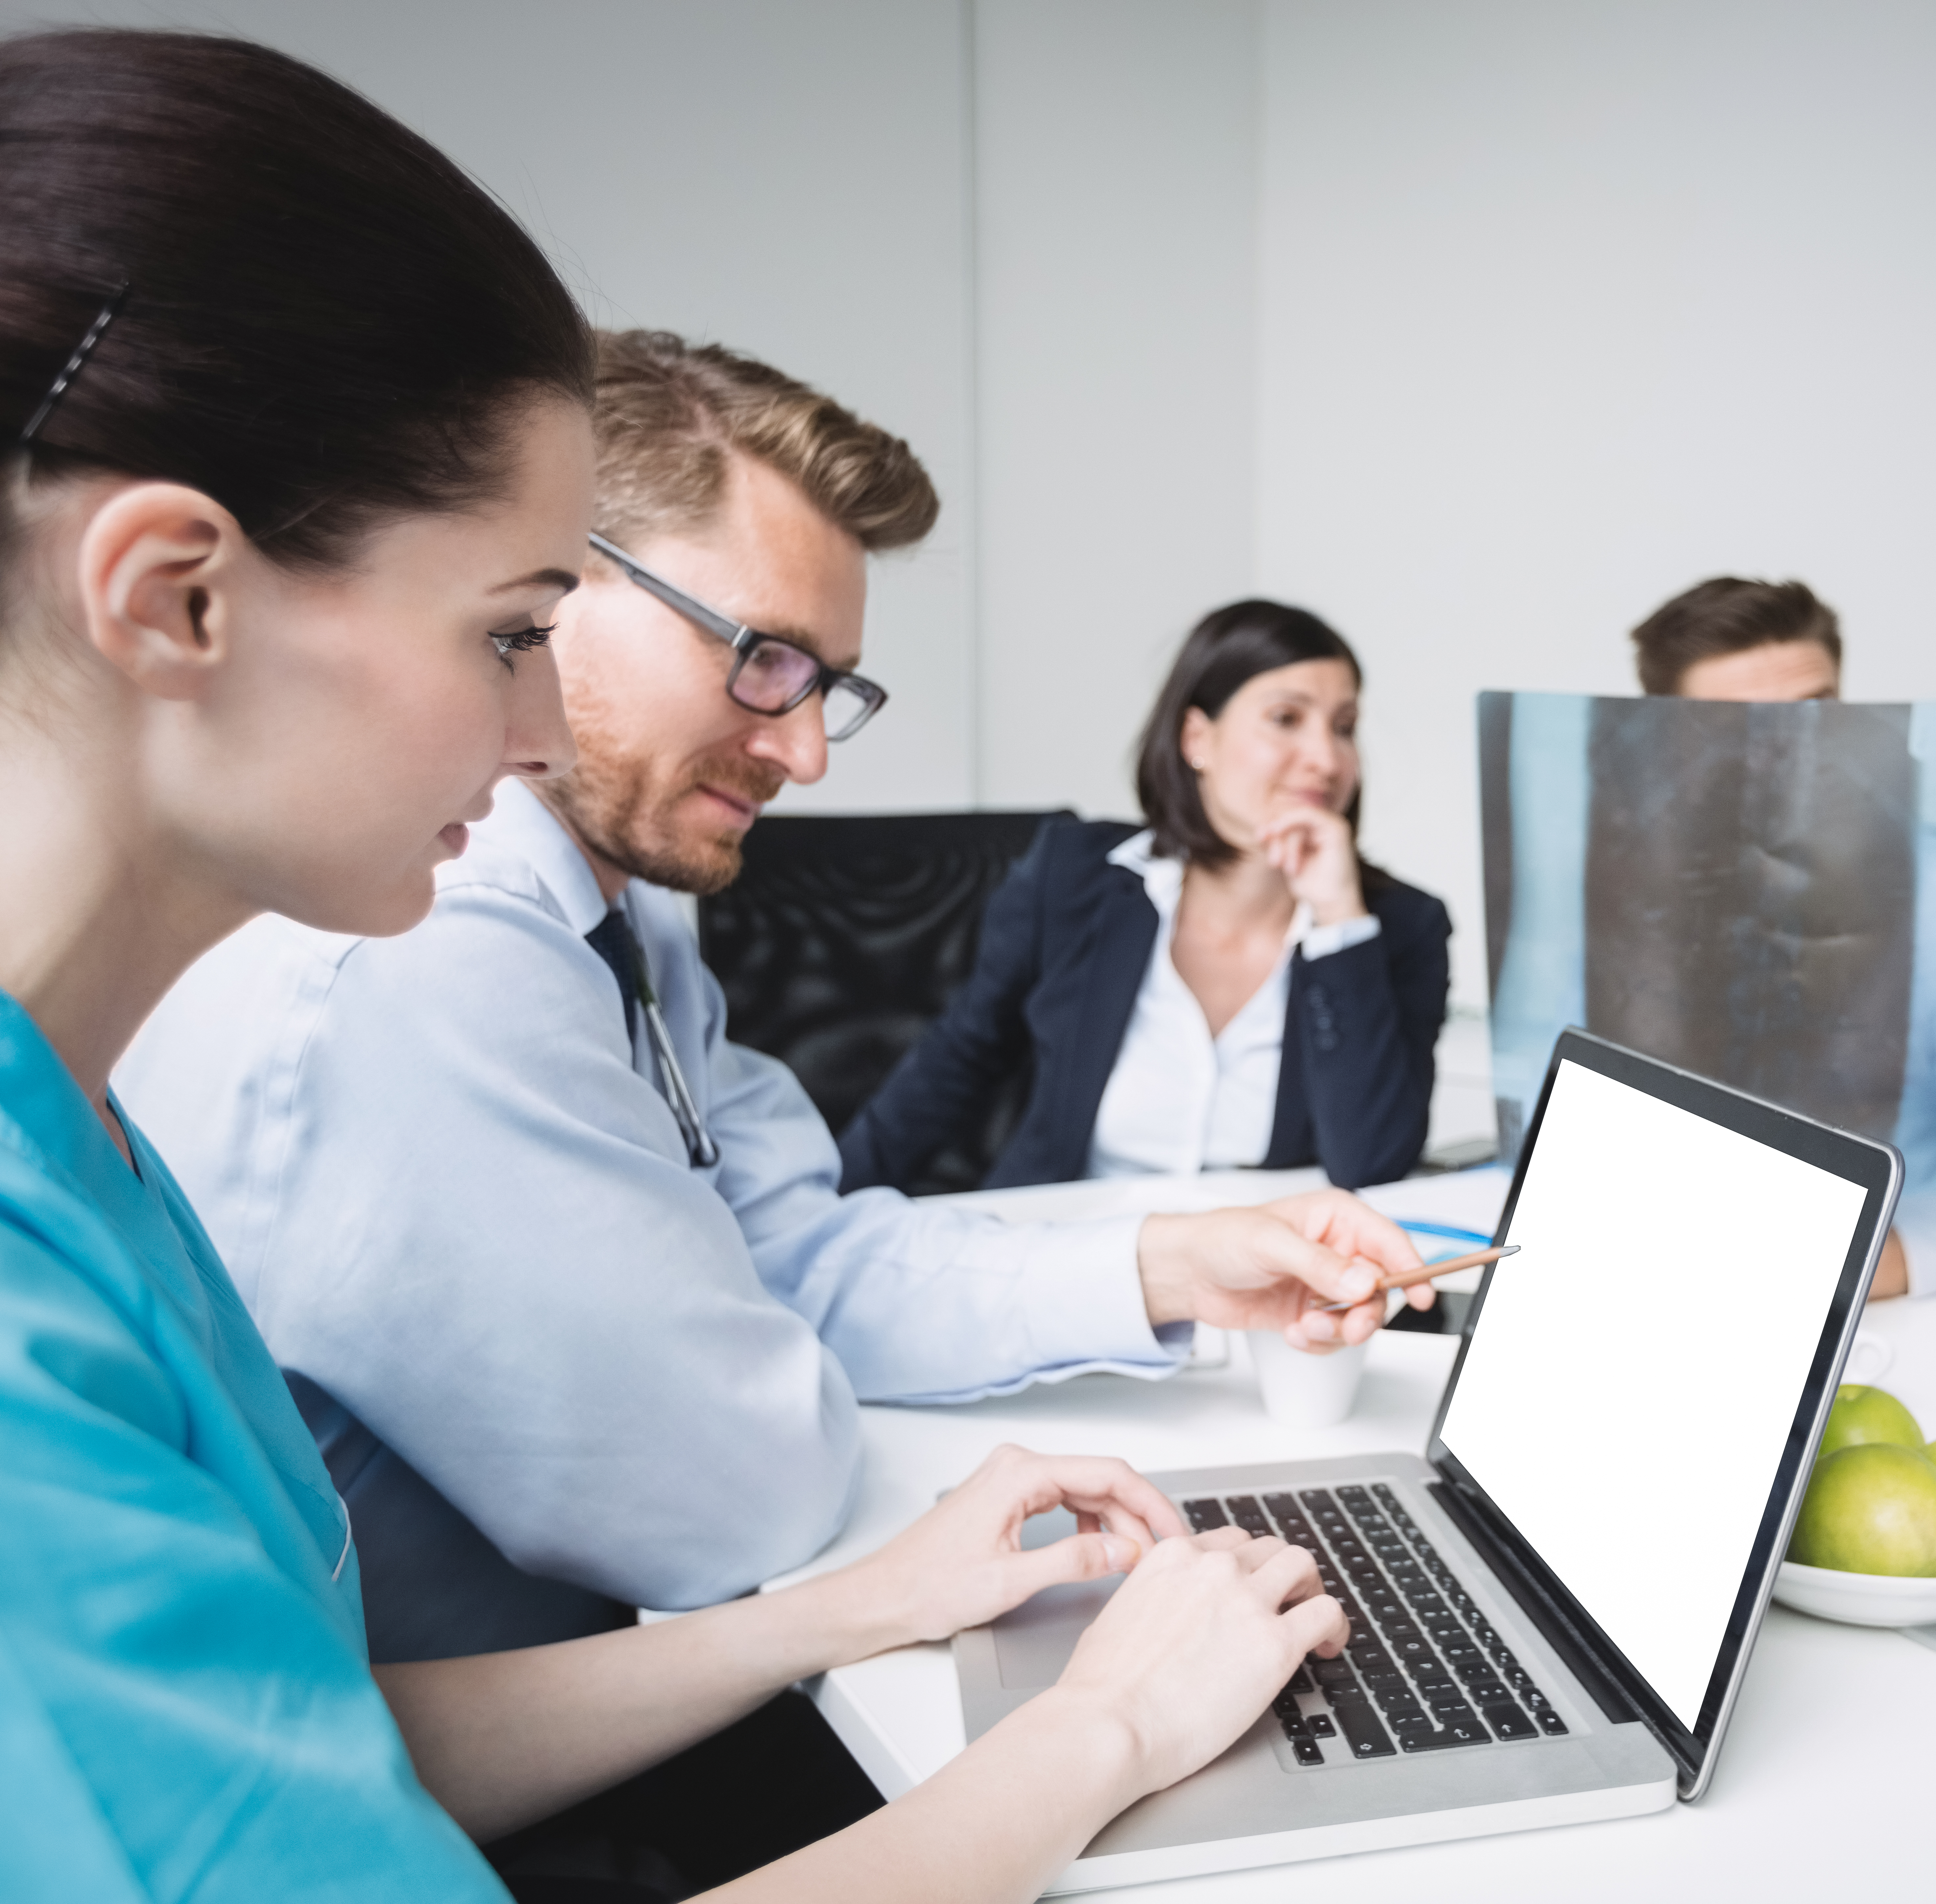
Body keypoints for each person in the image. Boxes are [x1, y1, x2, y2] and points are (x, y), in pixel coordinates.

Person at [0, 29, 1349, 1904]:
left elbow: (326, 1735)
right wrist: (1100, 1730)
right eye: (509, 631)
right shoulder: (292, 1062)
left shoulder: (73, 1146)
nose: (536, 723)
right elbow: (732, 1472)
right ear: (175, 599)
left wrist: (850, 1608)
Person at [115, 330, 1428, 1665]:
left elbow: (807, 1256)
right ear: (559, 584)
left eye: (829, 688)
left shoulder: (629, 915)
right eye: (762, 657)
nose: (804, 748)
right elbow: (724, 1491)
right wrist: (766, 1325)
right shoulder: (426, 952)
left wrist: (1172, 1260)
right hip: (466, 1791)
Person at [839, 599, 1450, 1194]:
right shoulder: (1074, 877)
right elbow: (955, 1067)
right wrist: (814, 1214)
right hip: (1072, 1256)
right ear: (1197, 740)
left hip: (1265, 1275)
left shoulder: (1396, 928)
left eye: (1344, 728)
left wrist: (1337, 920)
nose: (1327, 758)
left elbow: (1370, 1165)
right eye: (1287, 719)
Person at [1630, 577, 1936, 1297]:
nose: (1791, 752)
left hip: (1900, 1302)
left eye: (1818, 715)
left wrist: (1844, 1275)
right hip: (1669, 1283)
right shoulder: (1630, 908)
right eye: (1736, 728)